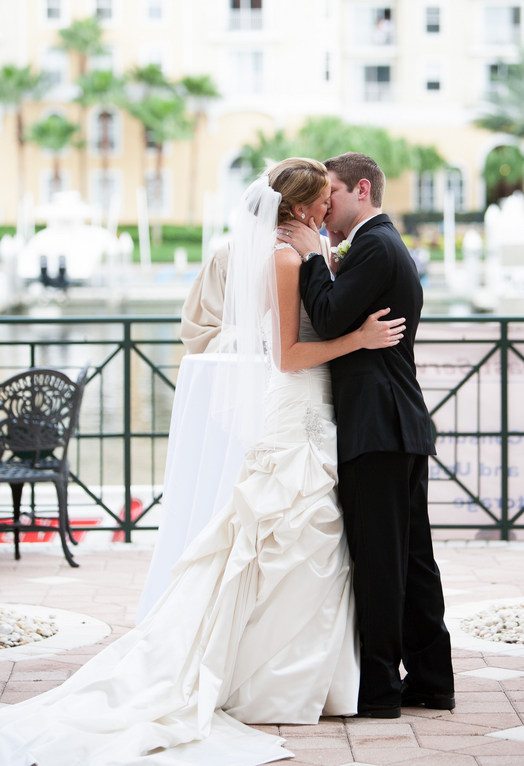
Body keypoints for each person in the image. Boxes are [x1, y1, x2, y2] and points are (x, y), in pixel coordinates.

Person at [0, 158, 405, 766]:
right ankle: (267, 680)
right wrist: (360, 340)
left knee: (312, 543)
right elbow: (290, 356)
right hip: (297, 405)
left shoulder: (304, 250)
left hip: (315, 411)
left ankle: (305, 676)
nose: (329, 208)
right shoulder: (284, 257)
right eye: (322, 200)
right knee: (294, 537)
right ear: (298, 208)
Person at [278, 151, 454, 718]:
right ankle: (431, 677)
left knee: (381, 562)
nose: (324, 204)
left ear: (361, 190)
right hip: (396, 420)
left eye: (331, 192)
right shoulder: (380, 244)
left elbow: (328, 318)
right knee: (412, 560)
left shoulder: (375, 245)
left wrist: (309, 261)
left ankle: (379, 691)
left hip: (376, 425)